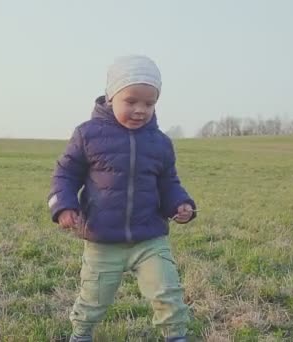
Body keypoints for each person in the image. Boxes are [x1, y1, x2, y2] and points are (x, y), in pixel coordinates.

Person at [48, 55, 197, 342]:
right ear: (111, 96)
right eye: (131, 101)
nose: (140, 110)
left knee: (168, 291)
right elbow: (65, 175)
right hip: (103, 238)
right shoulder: (87, 135)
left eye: (149, 103)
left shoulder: (160, 143)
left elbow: (169, 182)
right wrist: (63, 206)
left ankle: (176, 336)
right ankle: (81, 335)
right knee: (93, 299)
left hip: (150, 237)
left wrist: (181, 204)